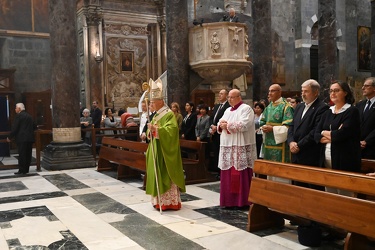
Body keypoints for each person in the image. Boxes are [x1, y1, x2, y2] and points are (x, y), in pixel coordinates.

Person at [314, 81, 361, 196]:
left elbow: (342, 134)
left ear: (345, 93)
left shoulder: (351, 111)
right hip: (326, 159)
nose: (333, 93)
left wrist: (324, 133)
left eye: (336, 90)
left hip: (345, 159)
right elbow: (316, 134)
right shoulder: (327, 112)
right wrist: (331, 134)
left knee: (345, 194)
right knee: (330, 194)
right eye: (331, 91)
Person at [145, 79, 186, 211]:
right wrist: (150, 131)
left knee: (165, 173)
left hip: (165, 151)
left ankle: (169, 202)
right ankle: (158, 201)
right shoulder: (156, 114)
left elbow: (172, 131)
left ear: (160, 102)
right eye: (150, 102)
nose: (151, 104)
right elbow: (149, 132)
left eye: (152, 102)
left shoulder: (168, 114)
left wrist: (156, 130)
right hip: (155, 149)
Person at [217, 89, 256, 208]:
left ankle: (242, 201)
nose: (229, 99)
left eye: (232, 97)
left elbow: (244, 124)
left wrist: (227, 125)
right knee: (227, 174)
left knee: (240, 174)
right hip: (228, 146)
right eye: (228, 97)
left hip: (240, 146)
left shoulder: (246, 109)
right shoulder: (228, 110)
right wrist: (220, 125)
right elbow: (220, 122)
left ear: (239, 97)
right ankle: (228, 201)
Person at [287, 79, 328, 167]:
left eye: (306, 91)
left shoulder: (322, 108)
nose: (303, 94)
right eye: (302, 91)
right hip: (295, 153)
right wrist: (291, 142)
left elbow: (315, 131)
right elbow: (292, 126)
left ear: (315, 92)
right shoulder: (299, 107)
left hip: (309, 154)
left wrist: (298, 145)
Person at [260, 84, 294, 164]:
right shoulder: (268, 107)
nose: (269, 93)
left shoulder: (286, 107)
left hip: (280, 144)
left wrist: (272, 129)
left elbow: (289, 127)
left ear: (279, 92)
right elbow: (262, 122)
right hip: (268, 144)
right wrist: (263, 128)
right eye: (269, 91)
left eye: (272, 91)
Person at [6, 103, 36, 175]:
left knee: (22, 154)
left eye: (16, 108)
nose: (15, 109)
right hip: (29, 139)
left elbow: (15, 128)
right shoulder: (29, 116)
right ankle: (26, 169)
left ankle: (21, 170)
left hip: (22, 139)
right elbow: (35, 126)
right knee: (28, 154)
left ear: (19, 109)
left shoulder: (18, 116)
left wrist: (10, 137)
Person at [209, 89, 230, 174]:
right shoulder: (217, 106)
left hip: (222, 133)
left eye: (221, 94)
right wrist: (212, 126)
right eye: (219, 94)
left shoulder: (228, 107)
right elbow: (211, 118)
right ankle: (217, 170)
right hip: (215, 132)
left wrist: (217, 126)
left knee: (221, 152)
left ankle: (221, 171)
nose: (219, 95)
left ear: (226, 95)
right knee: (216, 151)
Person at [356, 77, 375, 159]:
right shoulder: (360, 104)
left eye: (366, 86)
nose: (363, 88)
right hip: (358, 146)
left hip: (372, 146)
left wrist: (366, 141)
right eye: (363, 86)